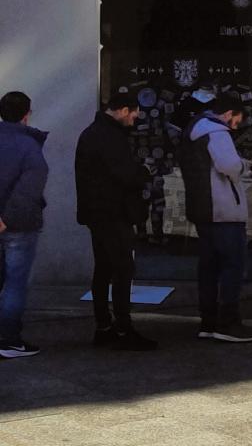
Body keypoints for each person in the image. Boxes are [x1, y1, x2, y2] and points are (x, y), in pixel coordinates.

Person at [75, 92, 156, 350]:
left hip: (98, 212)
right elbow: (124, 174)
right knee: (123, 269)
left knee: (104, 269)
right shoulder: (110, 137)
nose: (134, 119)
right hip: (113, 212)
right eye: (133, 113)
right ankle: (123, 327)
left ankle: (105, 325)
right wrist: (145, 172)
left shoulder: (92, 133)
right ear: (122, 110)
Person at [181, 95, 252, 343]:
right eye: (237, 118)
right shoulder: (217, 131)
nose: (237, 125)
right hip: (223, 210)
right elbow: (229, 166)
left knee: (209, 269)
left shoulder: (195, 129)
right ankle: (228, 323)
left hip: (204, 210)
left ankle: (209, 321)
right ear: (229, 113)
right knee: (232, 267)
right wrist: (244, 166)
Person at [0, 92, 49, 358]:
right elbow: (29, 188)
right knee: (15, 284)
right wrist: (6, 219)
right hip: (18, 226)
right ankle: (8, 340)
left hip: (10, 221)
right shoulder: (28, 145)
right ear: (27, 113)